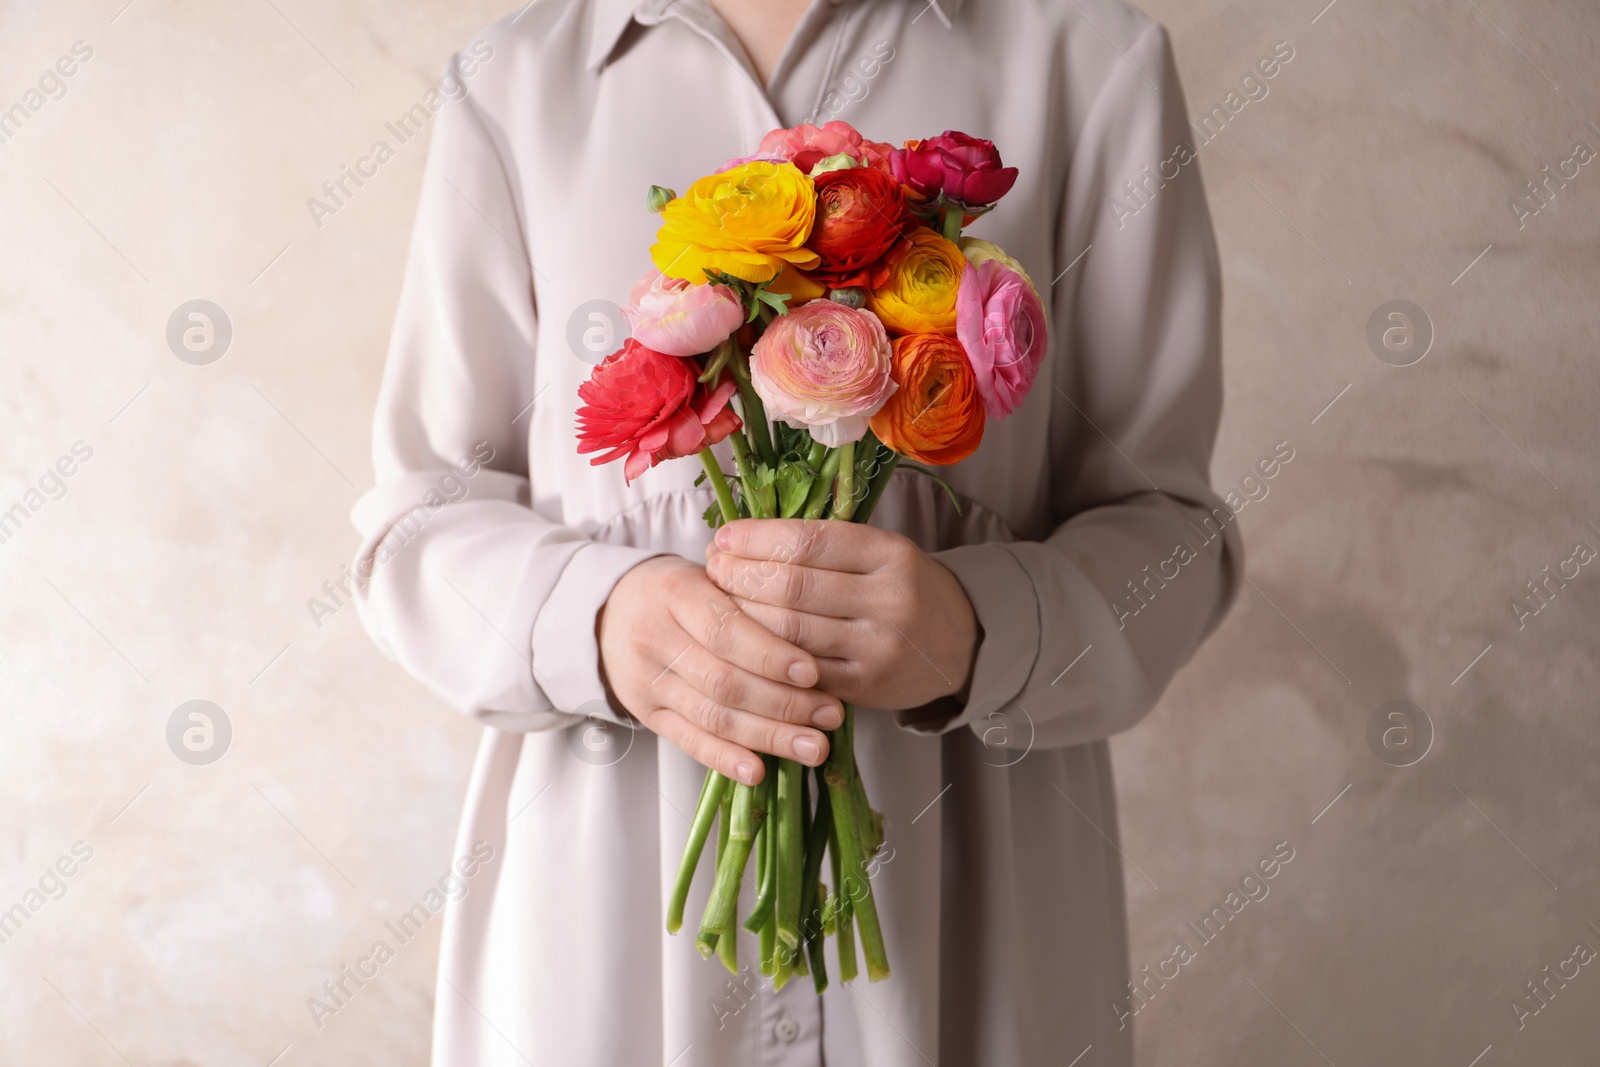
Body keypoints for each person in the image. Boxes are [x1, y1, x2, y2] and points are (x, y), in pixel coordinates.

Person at [350, 0, 1242, 1061]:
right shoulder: (511, 86)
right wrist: (593, 621)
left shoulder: (1089, 62)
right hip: (600, 943)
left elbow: (1172, 532)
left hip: (973, 940)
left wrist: (978, 629)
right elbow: (418, 523)